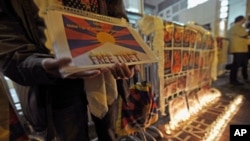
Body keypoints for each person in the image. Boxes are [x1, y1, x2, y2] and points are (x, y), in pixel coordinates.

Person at [0, 0, 136, 141]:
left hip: (106, 77)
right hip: (54, 84)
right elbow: (7, 43)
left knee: (110, 133)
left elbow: (119, 21)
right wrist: (42, 66)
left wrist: (128, 55)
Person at [227, 15, 249, 85]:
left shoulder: (239, 27)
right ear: (241, 20)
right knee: (236, 65)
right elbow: (244, 34)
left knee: (243, 64)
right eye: (244, 20)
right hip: (238, 49)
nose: (244, 21)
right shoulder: (236, 26)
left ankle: (240, 78)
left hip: (242, 49)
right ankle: (233, 80)